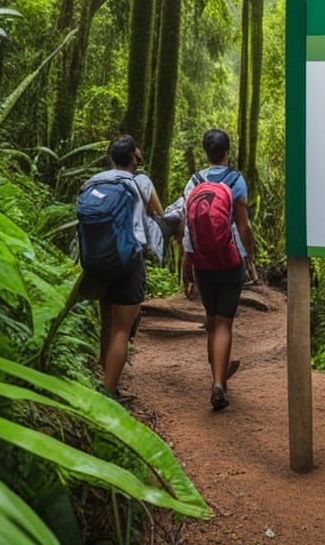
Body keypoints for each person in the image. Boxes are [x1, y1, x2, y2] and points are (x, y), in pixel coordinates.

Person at [82, 135, 163, 401]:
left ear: (110, 157)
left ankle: (103, 379)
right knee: (121, 330)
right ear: (134, 157)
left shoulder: (93, 182)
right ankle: (109, 391)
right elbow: (159, 213)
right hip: (128, 260)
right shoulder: (140, 182)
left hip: (96, 261)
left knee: (107, 324)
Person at [182, 128, 257, 410]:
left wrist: (187, 260)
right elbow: (243, 224)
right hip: (230, 258)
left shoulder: (194, 181)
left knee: (211, 319)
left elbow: (188, 225)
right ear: (228, 151)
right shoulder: (236, 180)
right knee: (225, 322)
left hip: (202, 259)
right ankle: (218, 383)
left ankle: (216, 377)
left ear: (206, 152)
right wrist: (248, 257)